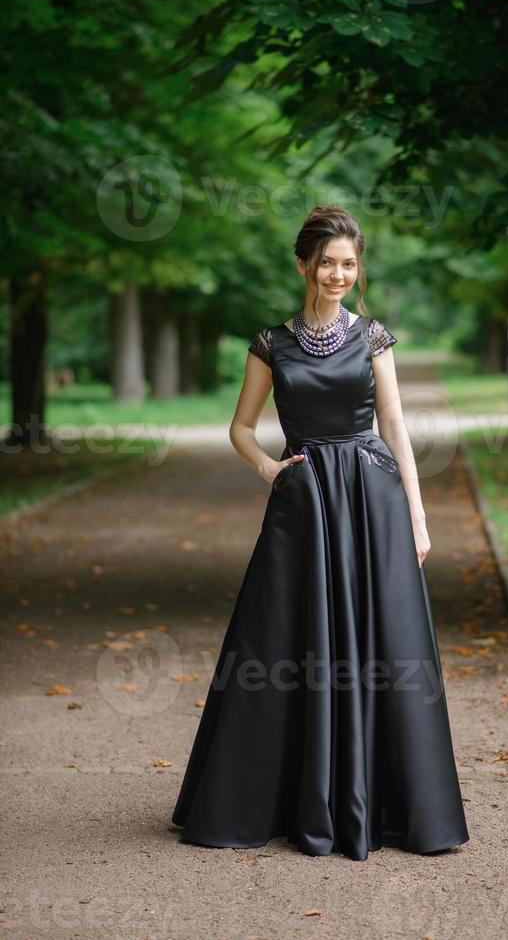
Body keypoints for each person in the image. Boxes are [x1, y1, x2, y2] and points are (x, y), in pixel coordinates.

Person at [171, 205, 470, 861]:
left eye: (350, 264)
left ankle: (384, 804)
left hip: (372, 501)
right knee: (280, 638)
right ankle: (279, 800)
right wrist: (272, 471)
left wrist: (418, 518)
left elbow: (395, 429)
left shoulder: (373, 338)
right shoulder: (270, 344)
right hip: (303, 502)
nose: (339, 273)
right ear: (304, 264)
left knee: (382, 645)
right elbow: (241, 429)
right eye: (328, 262)